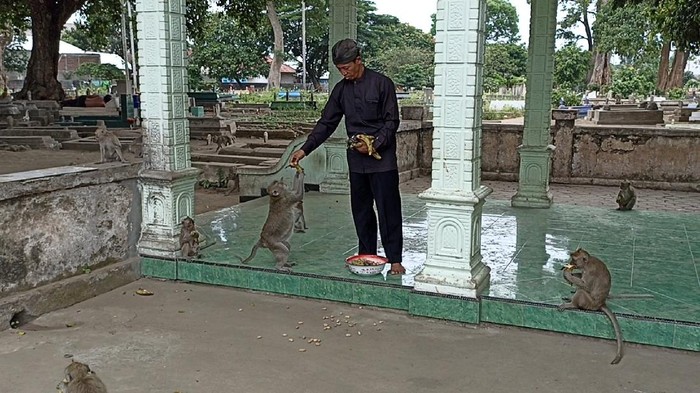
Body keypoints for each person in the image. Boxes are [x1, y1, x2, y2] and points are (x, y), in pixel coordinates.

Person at [289, 38, 405, 275]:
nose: (344, 73)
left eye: (347, 68)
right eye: (340, 69)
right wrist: (305, 149)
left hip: (383, 161)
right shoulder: (341, 90)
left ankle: (395, 260)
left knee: (388, 210)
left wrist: (374, 144)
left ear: (358, 61)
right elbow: (327, 123)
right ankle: (367, 256)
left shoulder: (383, 84)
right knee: (361, 211)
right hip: (357, 161)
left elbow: (392, 121)